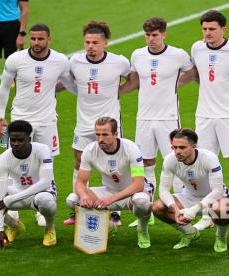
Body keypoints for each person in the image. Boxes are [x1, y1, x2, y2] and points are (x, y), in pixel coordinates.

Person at [120, 17, 195, 227]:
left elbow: (193, 72)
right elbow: (133, 81)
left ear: (164, 34)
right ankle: (148, 209)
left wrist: (176, 84)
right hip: (143, 117)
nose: (150, 39)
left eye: (154, 35)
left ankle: (182, 209)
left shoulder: (178, 55)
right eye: (147, 35)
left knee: (177, 161)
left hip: (168, 118)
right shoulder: (137, 54)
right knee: (144, 163)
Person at [183, 10, 229, 231]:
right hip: (204, 115)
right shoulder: (197, 48)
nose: (207, 33)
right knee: (204, 163)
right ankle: (209, 213)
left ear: (224, 29)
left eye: (212, 29)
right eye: (204, 29)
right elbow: (196, 74)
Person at [0, 23, 71, 227]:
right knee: (12, 161)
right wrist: (0, 117)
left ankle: (43, 206)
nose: (36, 43)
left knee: (46, 163)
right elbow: (4, 87)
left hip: (47, 120)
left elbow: (71, 84)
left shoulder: (60, 60)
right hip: (20, 119)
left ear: (49, 39)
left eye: (41, 39)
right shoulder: (16, 59)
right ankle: (13, 205)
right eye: (34, 38)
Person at [63, 21, 131, 226]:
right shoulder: (75, 61)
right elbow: (69, 82)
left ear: (105, 44)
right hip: (84, 123)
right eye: (87, 42)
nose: (90, 46)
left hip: (110, 124)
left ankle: (114, 210)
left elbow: (133, 79)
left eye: (94, 42)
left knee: (114, 164)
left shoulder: (119, 62)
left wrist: (117, 94)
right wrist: (80, 93)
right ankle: (79, 209)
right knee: (79, 160)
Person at [65, 117, 152, 249]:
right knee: (72, 200)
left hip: (132, 193)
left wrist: (110, 199)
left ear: (116, 134)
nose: (100, 139)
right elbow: (80, 182)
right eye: (97, 134)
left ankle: (143, 230)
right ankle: (108, 226)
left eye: (105, 134)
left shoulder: (131, 148)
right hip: (108, 191)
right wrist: (84, 196)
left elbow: (138, 185)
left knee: (142, 202)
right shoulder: (90, 150)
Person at [0, 120, 57, 249]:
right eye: (13, 140)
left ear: (29, 139)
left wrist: (11, 199)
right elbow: (1, 194)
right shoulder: (2, 159)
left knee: (45, 200)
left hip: (40, 193)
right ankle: (14, 226)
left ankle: (50, 228)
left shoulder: (42, 150)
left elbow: (45, 182)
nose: (16, 144)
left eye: (20, 140)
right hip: (15, 194)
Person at [152, 128, 229, 252]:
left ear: (194, 146)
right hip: (188, 197)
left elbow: (218, 191)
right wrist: (175, 210)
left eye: (182, 147)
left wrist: (194, 210)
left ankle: (221, 237)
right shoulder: (170, 159)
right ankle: (190, 233)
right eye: (174, 147)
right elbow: (163, 190)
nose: (177, 151)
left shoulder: (209, 157)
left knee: (222, 209)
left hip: (213, 198)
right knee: (157, 207)